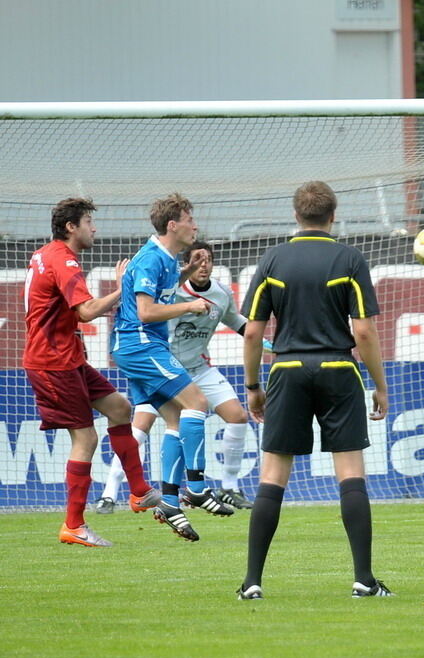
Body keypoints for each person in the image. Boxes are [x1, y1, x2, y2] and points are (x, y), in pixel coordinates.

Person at [237, 181, 391, 600]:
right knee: (351, 473)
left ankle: (252, 582)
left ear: (296, 215)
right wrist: (379, 384)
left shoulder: (273, 259)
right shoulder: (349, 258)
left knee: (272, 476)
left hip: (286, 368)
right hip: (339, 368)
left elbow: (252, 334)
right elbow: (363, 331)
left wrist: (252, 386)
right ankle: (364, 579)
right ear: (332, 215)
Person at [96, 240, 272, 513]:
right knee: (140, 428)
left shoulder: (221, 294)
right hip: (164, 369)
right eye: (198, 260)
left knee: (237, 416)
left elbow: (238, 323)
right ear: (187, 263)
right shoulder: (172, 293)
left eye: (208, 260)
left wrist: (272, 344)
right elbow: (144, 310)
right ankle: (109, 493)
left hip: (199, 369)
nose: (204, 266)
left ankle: (228, 487)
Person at [23, 197, 160, 547]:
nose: (94, 228)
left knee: (119, 408)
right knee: (85, 438)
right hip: (52, 362)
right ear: (72, 227)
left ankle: (140, 491)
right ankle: (74, 525)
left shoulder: (45, 253)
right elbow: (85, 312)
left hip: (66, 357)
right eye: (88, 221)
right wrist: (122, 286)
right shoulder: (64, 260)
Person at [112, 193, 234, 543]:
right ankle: (195, 487)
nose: (195, 225)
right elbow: (147, 312)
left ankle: (168, 501)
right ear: (173, 225)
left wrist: (186, 271)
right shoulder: (151, 259)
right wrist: (190, 307)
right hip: (140, 344)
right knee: (197, 403)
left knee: (176, 419)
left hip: (140, 346)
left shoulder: (167, 259)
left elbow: (163, 287)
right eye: (190, 218)